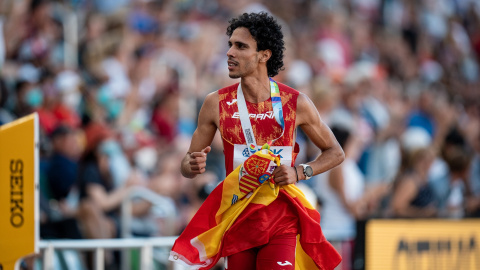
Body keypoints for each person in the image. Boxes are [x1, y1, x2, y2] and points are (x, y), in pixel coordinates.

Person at [175, 12, 344, 270]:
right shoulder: (214, 104)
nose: (230, 52)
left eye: (241, 46)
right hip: (238, 219)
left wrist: (300, 172)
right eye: (230, 45)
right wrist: (192, 164)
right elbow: (187, 167)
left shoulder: (295, 103)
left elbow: (335, 152)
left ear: (264, 55)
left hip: (282, 220)